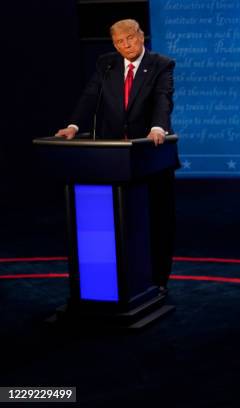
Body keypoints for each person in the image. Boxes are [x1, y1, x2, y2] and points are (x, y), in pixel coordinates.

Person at [56, 19, 178, 290]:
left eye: (130, 39)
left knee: (157, 220)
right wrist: (74, 125)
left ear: (141, 36)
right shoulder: (106, 63)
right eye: (119, 42)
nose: (126, 46)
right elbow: (90, 95)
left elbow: (163, 98)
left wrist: (158, 127)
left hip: (150, 154)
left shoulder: (161, 64)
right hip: (111, 158)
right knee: (117, 222)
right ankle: (118, 280)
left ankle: (158, 280)